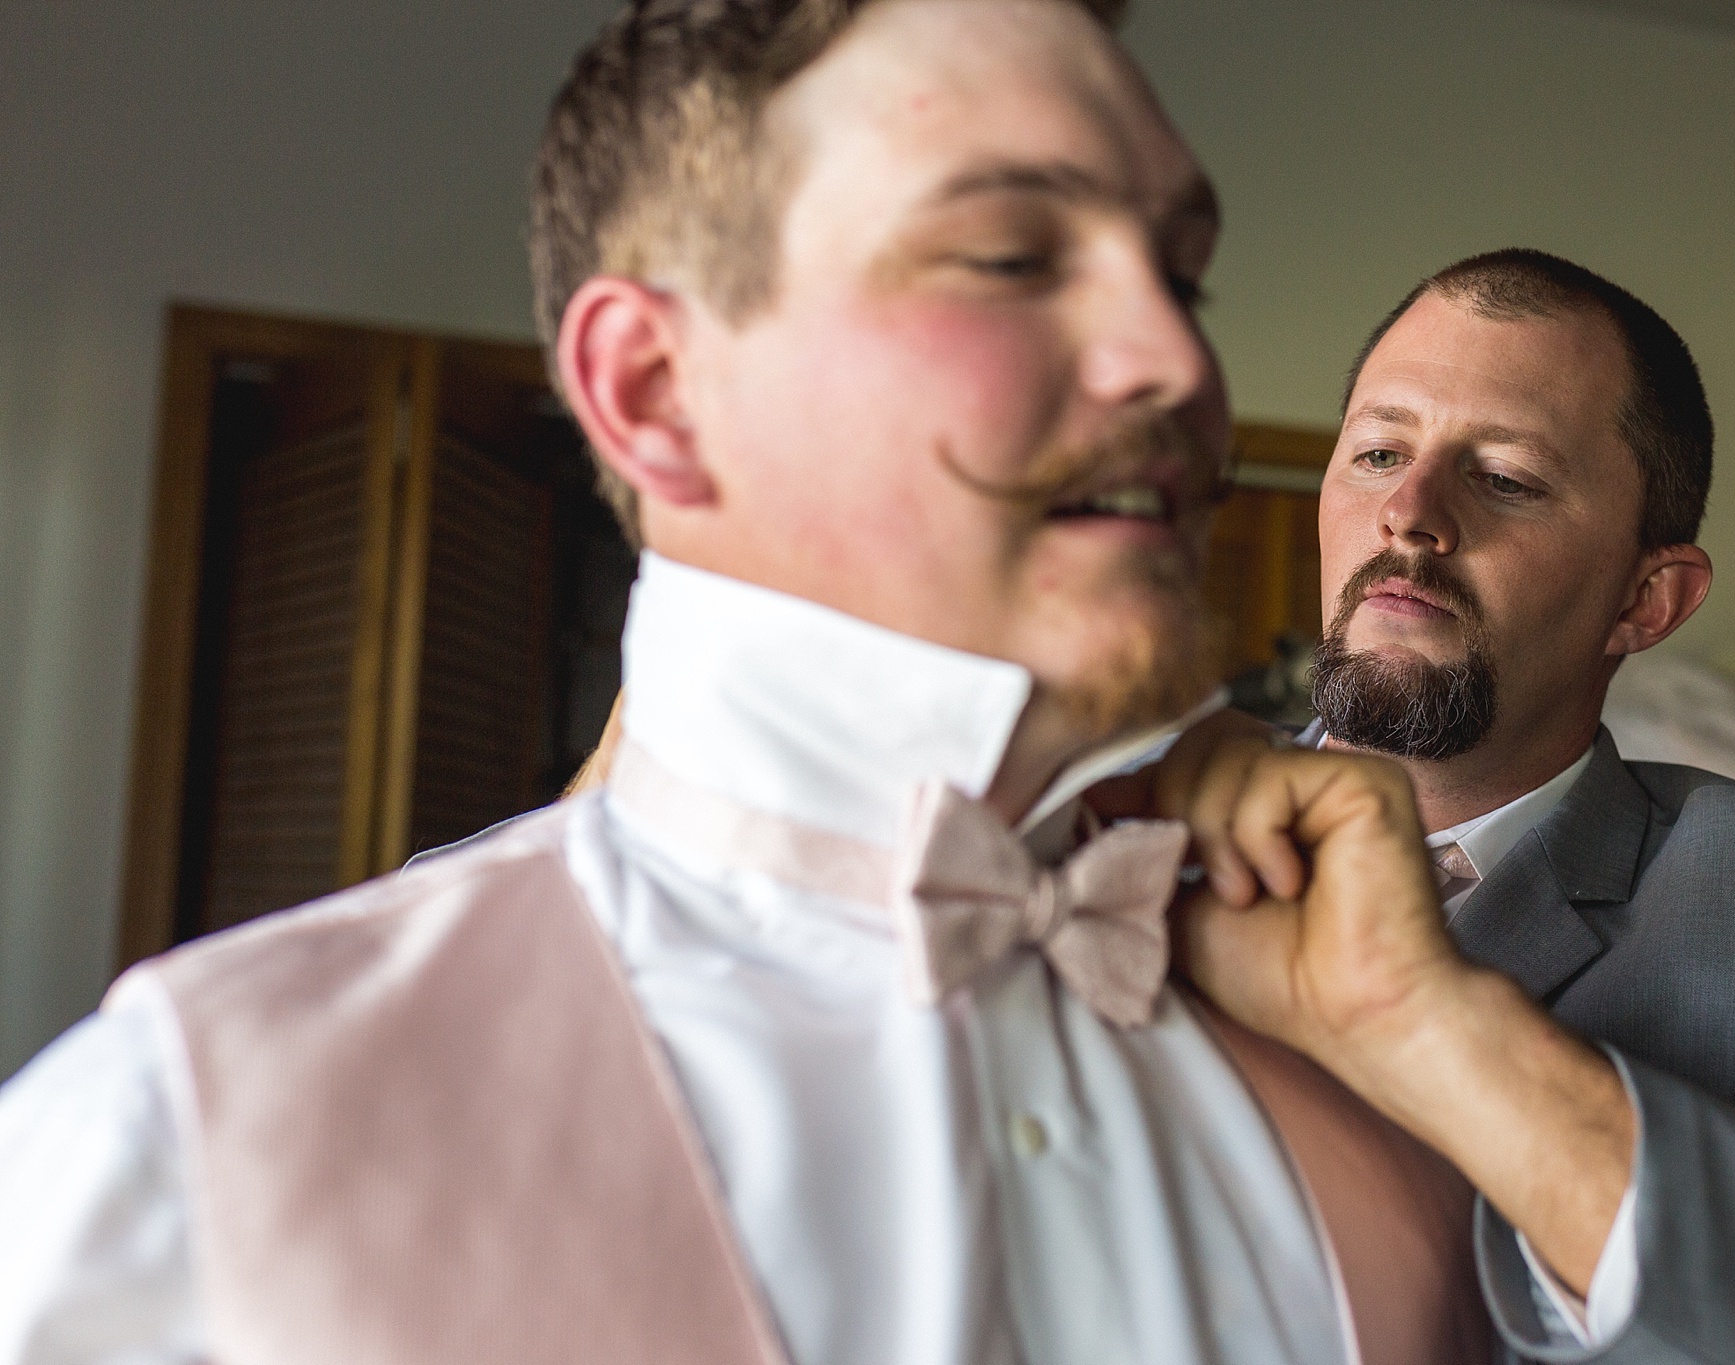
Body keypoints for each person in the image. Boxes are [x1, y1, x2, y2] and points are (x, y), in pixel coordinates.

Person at [0, 3, 1496, 1362]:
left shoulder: (1379, 1073)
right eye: (1008, 258)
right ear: (654, 393)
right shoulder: (181, 1149)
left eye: (1184, 275)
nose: (1175, 358)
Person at [1154, 249, 1735, 1362]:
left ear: (1644, 600)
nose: (1408, 512)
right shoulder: (1128, 812)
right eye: (1378, 451)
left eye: (1505, 479)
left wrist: (1434, 1029)